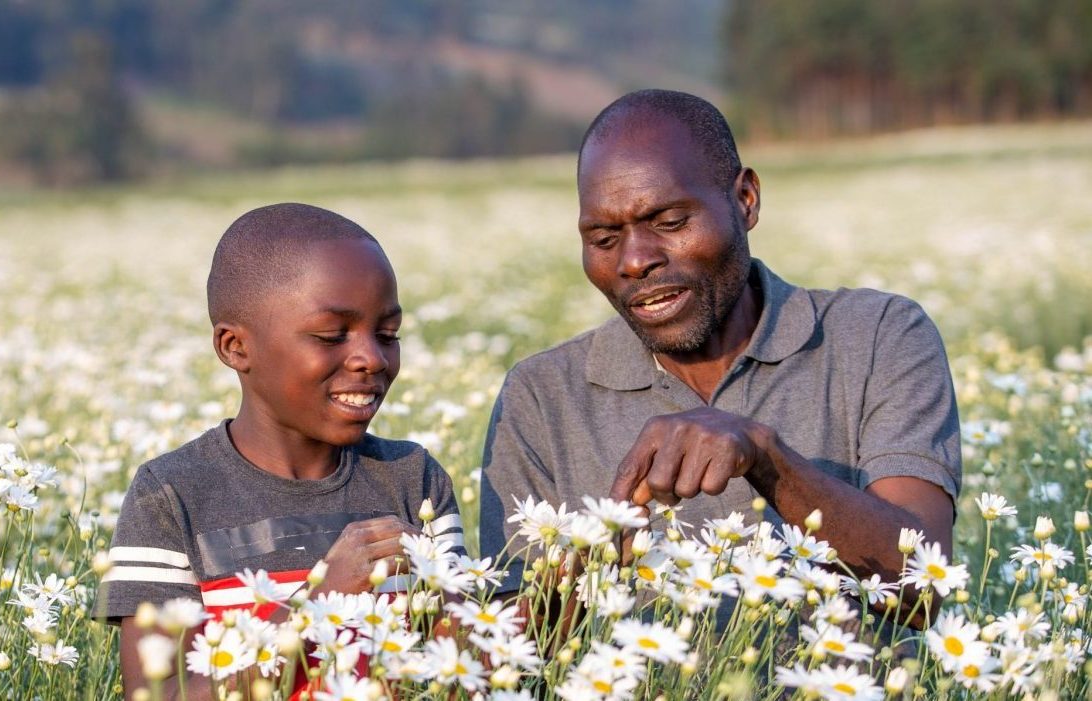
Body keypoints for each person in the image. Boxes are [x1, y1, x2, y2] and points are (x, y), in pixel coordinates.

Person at [478, 90, 960, 623]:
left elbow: (924, 592)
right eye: (604, 237)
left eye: (669, 222)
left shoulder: (876, 336)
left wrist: (764, 457)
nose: (635, 260)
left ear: (746, 199)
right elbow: (515, 656)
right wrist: (601, 556)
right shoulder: (542, 396)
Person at [102, 203, 464, 699]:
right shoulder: (171, 496)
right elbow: (158, 693)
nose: (371, 358)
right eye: (330, 336)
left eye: (387, 335)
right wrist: (317, 603)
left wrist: (446, 591)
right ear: (235, 347)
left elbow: (465, 668)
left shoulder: (411, 478)